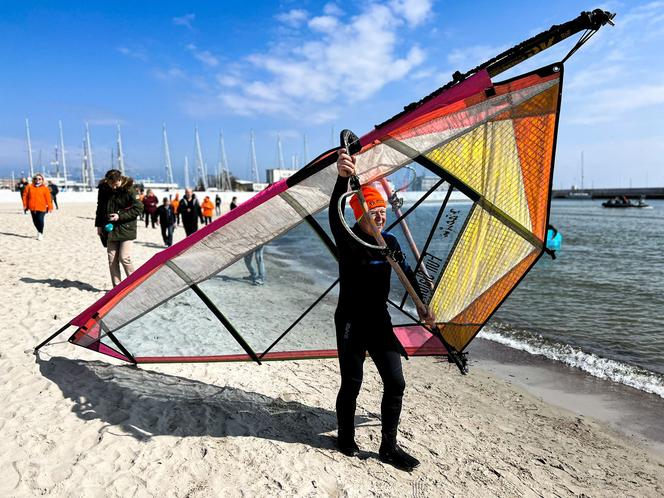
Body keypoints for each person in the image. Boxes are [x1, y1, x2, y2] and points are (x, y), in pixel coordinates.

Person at [328, 151, 434, 472]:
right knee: (352, 381)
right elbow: (335, 212)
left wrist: (421, 302)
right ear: (359, 213)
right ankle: (345, 437)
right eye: (373, 210)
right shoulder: (347, 239)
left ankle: (388, 446)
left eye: (382, 211)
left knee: (396, 382)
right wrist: (342, 177)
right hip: (350, 321)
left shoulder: (389, 242)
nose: (379, 216)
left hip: (378, 322)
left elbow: (408, 276)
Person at [95, 169, 143, 287]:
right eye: (111, 184)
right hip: (109, 228)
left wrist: (119, 216)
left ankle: (134, 284)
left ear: (120, 180)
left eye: (115, 184)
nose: (113, 187)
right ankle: (117, 287)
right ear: (107, 181)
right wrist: (99, 225)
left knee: (124, 257)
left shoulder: (130, 189)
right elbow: (100, 207)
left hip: (126, 227)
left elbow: (138, 208)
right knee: (112, 259)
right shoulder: (104, 189)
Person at [22, 173, 53, 240]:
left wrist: (50, 207)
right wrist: (25, 205)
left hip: (42, 207)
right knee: (35, 221)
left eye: (39, 179)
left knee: (40, 220)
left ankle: (40, 233)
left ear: (42, 180)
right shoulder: (29, 187)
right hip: (32, 207)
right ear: (34, 179)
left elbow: (48, 198)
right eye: (36, 179)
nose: (38, 180)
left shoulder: (45, 188)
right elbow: (25, 196)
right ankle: (39, 230)